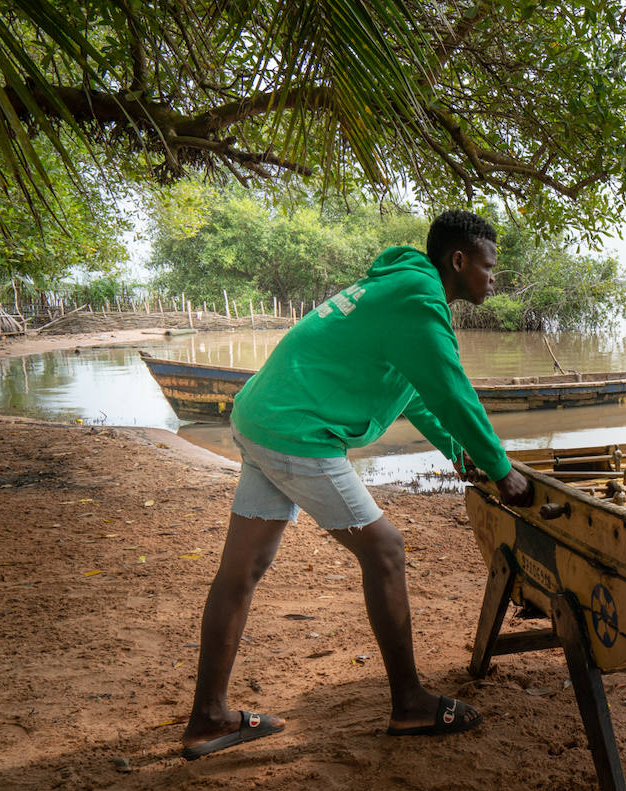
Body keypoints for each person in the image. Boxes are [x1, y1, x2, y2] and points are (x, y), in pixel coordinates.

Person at [181, 210, 533, 760]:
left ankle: (209, 718)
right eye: (489, 267)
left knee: (241, 569)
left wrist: (461, 455)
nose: (494, 278)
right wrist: (500, 465)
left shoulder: (397, 288)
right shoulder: (419, 298)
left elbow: (415, 395)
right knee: (386, 550)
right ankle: (410, 703)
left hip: (259, 417)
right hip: (298, 432)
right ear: (458, 261)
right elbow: (452, 389)